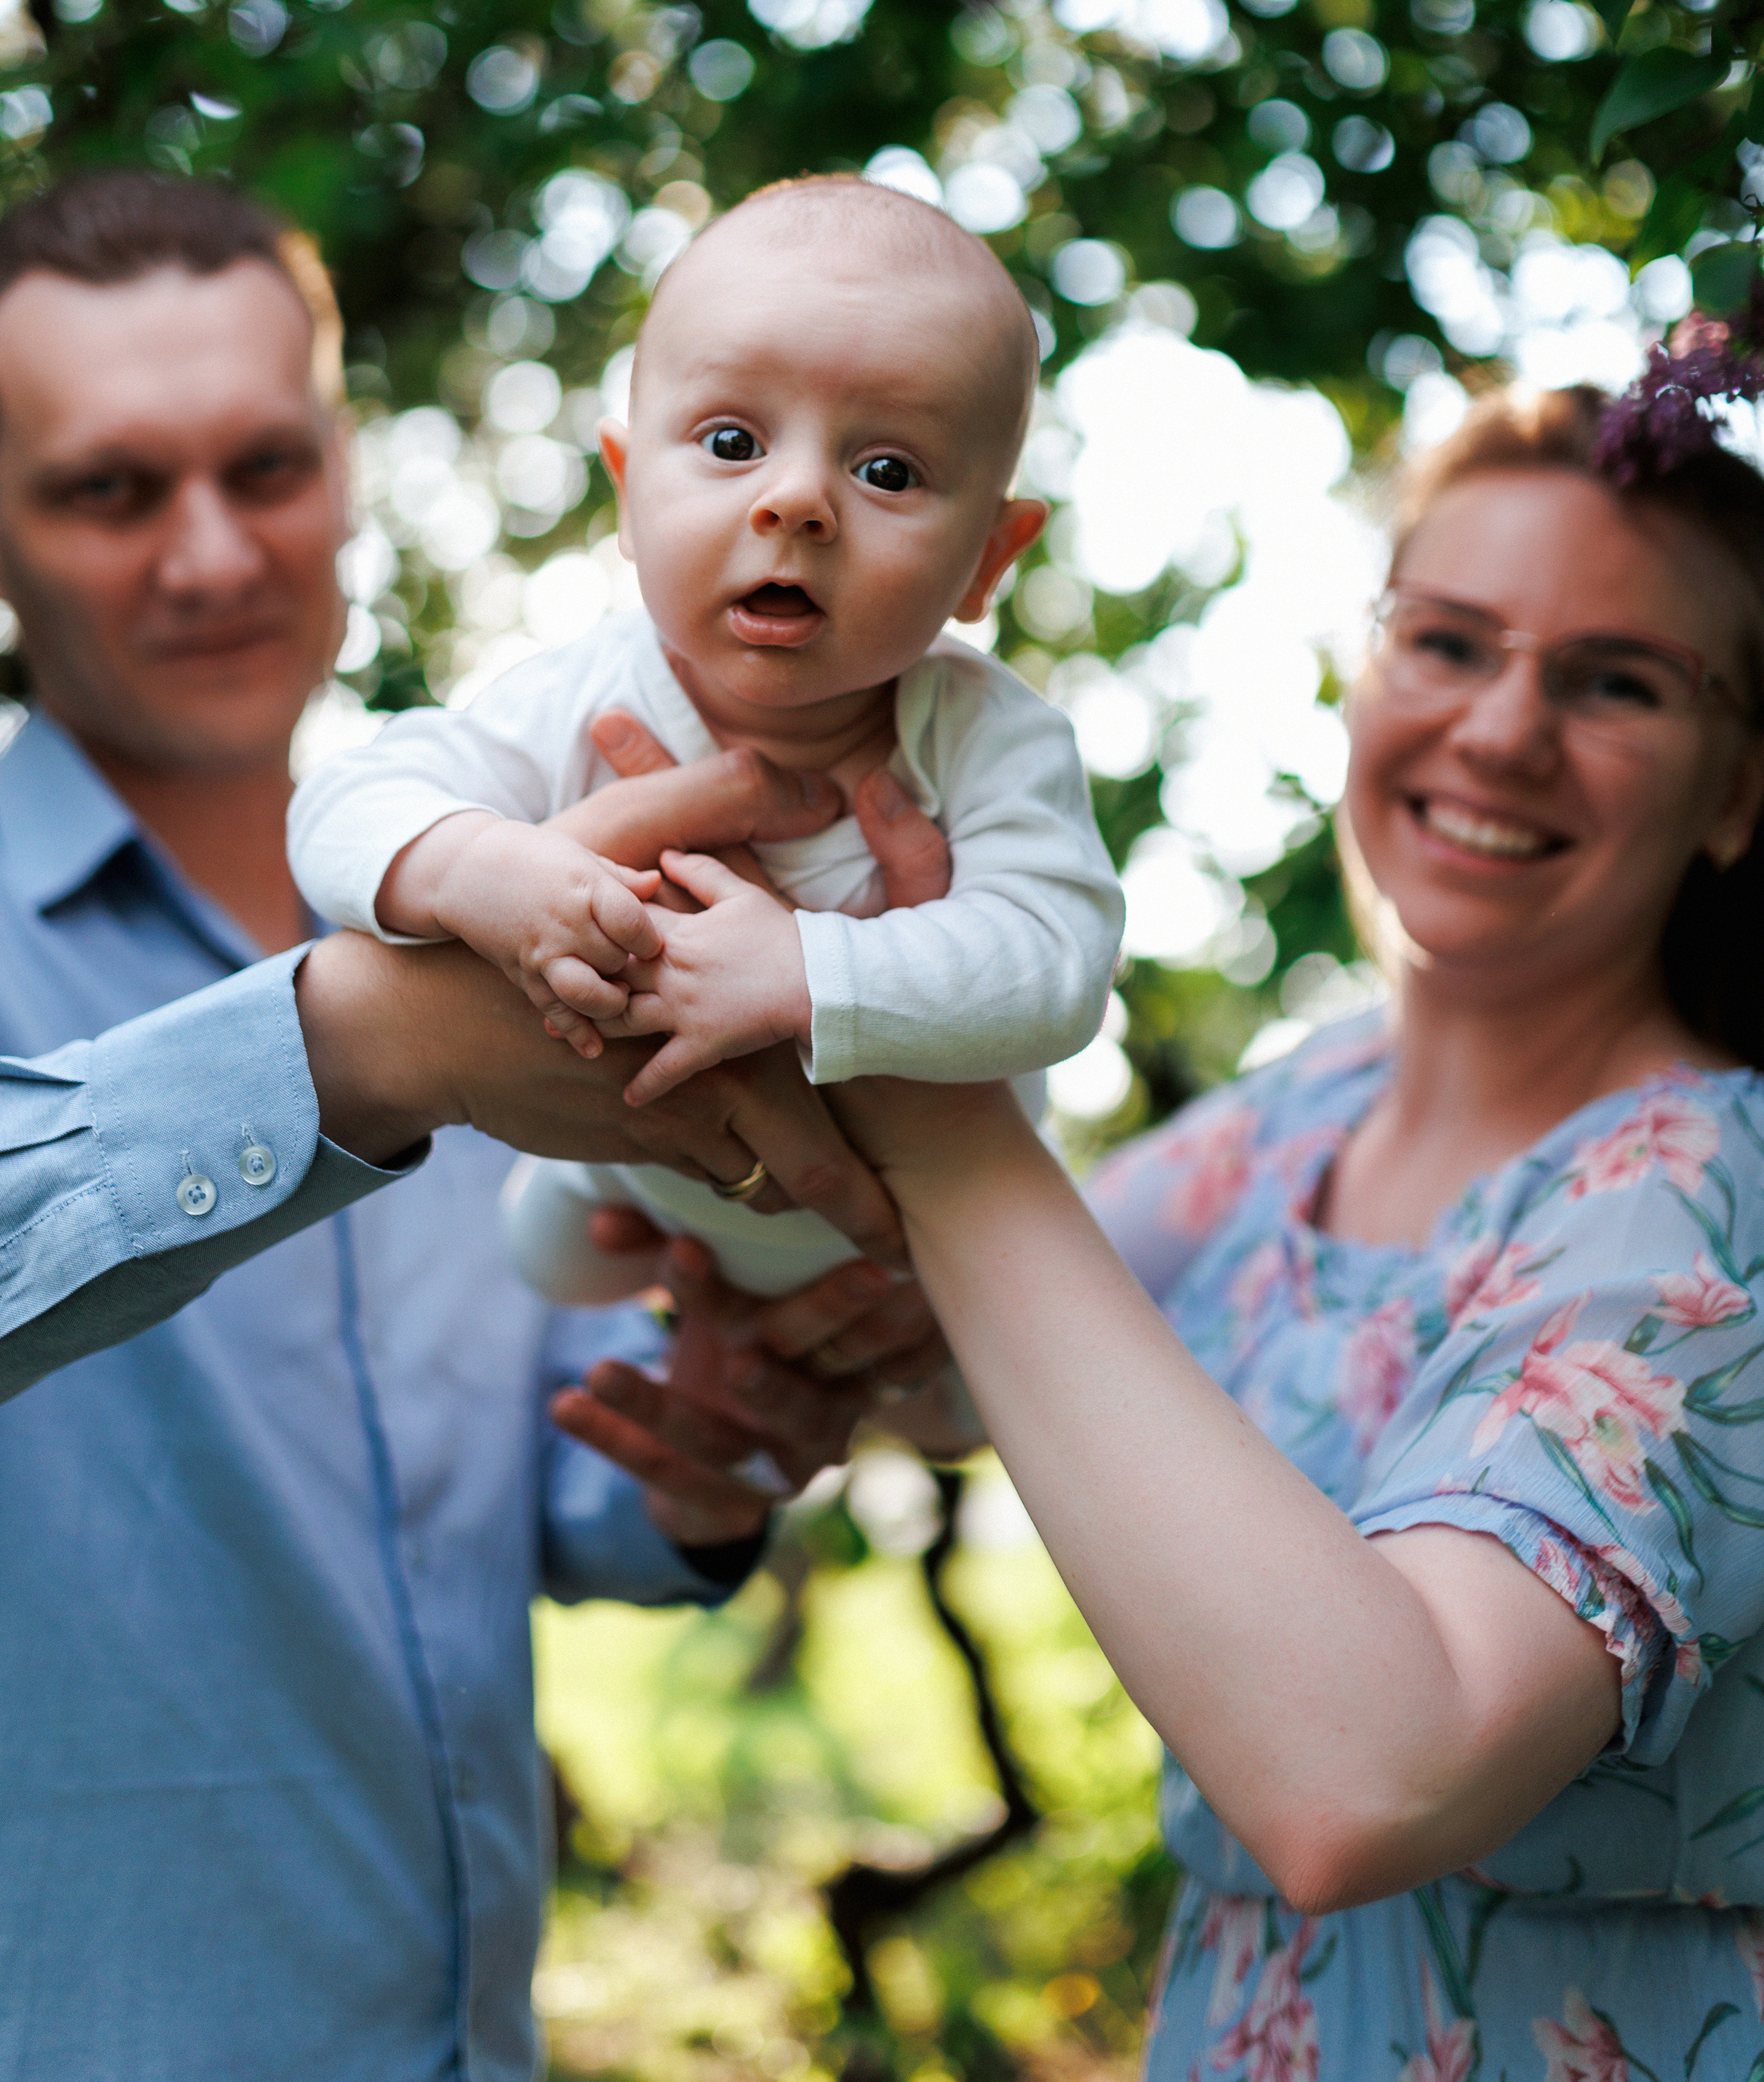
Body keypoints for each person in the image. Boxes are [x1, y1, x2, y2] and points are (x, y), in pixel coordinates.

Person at [0, 169, 943, 2082]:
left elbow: (529, 1508)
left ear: (346, 470)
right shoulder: (465, 971)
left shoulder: (546, 882)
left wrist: (705, 1451)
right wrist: (362, 1054)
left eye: (265, 469)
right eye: (111, 488)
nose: (209, 556)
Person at [826, 345, 1764, 2079]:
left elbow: (1365, 1777)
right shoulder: (1292, 1120)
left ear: (1735, 789)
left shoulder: (1706, 1205)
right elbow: (951, 1360)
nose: (1498, 727)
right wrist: (753, 1347)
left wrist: (930, 1102)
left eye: (1617, 681)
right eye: (1447, 639)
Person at [287, 173, 1124, 1317]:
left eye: (886, 470)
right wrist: (481, 869)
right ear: (629, 496)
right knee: (549, 1258)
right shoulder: (579, 694)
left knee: (973, 1380)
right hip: (638, 1194)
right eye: (732, 440)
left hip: (918, 1230)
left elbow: (1055, 965)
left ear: (989, 557)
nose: (797, 500)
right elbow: (346, 799)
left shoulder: (987, 738)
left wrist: (801, 971)